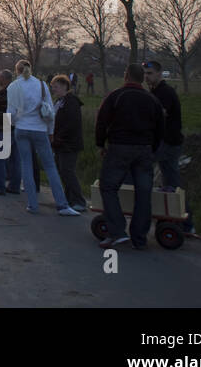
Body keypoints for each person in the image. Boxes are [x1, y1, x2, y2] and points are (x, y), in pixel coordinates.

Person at [94, 63, 165, 250]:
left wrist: (101, 144)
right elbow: (160, 128)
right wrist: (153, 149)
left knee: (108, 187)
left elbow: (101, 121)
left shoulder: (116, 96)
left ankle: (117, 232)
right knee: (143, 193)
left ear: (126, 76)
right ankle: (140, 238)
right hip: (144, 150)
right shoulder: (152, 100)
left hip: (119, 147)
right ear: (142, 78)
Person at [7, 60, 81, 216]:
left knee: (26, 166)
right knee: (50, 167)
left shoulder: (13, 87)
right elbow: (50, 112)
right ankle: (62, 205)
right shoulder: (41, 85)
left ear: (17, 71)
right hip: (39, 129)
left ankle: (32, 204)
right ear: (30, 69)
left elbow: (11, 114)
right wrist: (50, 131)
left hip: (21, 129)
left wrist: (17, 122)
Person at [144, 60, 193, 232]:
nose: (146, 77)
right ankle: (181, 220)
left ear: (159, 73)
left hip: (168, 142)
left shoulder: (164, 92)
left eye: (150, 73)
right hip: (167, 142)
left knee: (142, 167)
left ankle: (143, 210)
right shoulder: (155, 91)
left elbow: (159, 115)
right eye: (145, 74)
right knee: (171, 182)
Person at [49, 75, 86, 212]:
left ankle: (79, 201)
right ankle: (69, 198)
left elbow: (71, 123)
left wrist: (58, 137)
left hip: (69, 144)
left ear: (65, 86)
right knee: (63, 171)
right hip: (60, 143)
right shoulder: (59, 101)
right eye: (53, 87)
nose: (54, 89)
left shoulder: (71, 102)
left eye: (56, 87)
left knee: (68, 171)